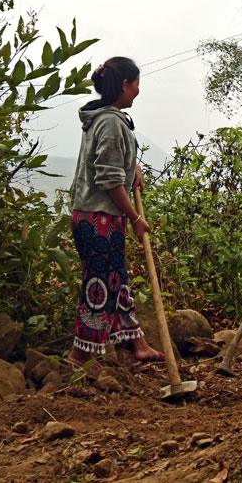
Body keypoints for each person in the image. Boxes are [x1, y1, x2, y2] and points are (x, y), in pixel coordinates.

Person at [66, 56, 163, 370]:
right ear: (124, 85)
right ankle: (78, 357)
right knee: (100, 286)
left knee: (116, 280)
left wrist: (132, 166)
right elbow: (107, 179)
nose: (138, 91)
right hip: (99, 218)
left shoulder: (108, 118)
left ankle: (138, 343)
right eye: (136, 84)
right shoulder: (109, 121)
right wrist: (135, 217)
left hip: (98, 215)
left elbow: (109, 161)